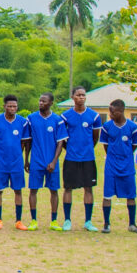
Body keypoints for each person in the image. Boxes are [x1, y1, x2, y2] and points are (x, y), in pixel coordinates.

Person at [61, 87, 102, 232]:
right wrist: (71, 148)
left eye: (83, 95)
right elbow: (62, 138)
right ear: (72, 97)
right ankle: (67, 220)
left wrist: (87, 148)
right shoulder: (65, 116)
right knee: (68, 188)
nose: (81, 97)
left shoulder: (94, 116)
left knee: (88, 188)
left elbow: (95, 137)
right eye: (78, 95)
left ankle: (88, 221)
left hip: (88, 158)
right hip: (71, 158)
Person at [0, 94, 30, 230]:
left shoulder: (23, 122)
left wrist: (18, 153)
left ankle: (18, 221)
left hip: (16, 162)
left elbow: (24, 142)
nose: (12, 108)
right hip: (1, 162)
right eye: (10, 106)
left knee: (18, 190)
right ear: (4, 106)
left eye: (15, 106)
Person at [99, 99, 137, 233]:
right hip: (111, 165)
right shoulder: (106, 127)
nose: (110, 114)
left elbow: (134, 145)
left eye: (113, 112)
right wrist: (114, 156)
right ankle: (106, 224)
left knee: (131, 194)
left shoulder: (133, 127)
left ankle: (132, 224)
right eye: (109, 112)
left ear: (121, 111)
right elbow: (105, 145)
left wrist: (125, 155)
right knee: (107, 194)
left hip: (127, 165)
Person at [27, 92, 67, 232]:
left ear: (51, 103)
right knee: (33, 190)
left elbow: (60, 143)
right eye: (39, 101)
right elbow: (28, 141)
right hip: (36, 161)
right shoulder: (31, 118)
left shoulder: (57, 120)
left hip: (51, 162)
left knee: (54, 191)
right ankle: (33, 220)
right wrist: (27, 159)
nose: (41, 103)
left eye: (44, 101)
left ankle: (54, 221)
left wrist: (54, 161)